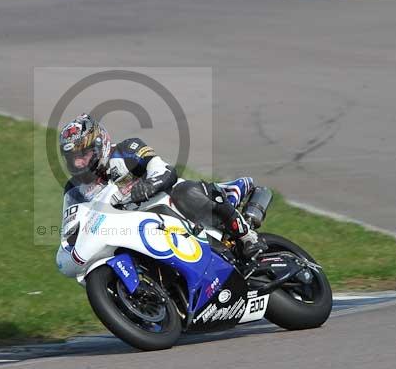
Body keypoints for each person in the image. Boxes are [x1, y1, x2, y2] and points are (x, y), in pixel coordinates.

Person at [57, 113, 263, 265]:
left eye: (83, 154)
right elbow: (70, 229)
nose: (79, 164)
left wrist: (148, 186)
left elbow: (163, 169)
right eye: (73, 159)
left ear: (100, 145)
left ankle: (245, 236)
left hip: (170, 205)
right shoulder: (75, 189)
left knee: (184, 192)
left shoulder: (127, 150)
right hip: (141, 230)